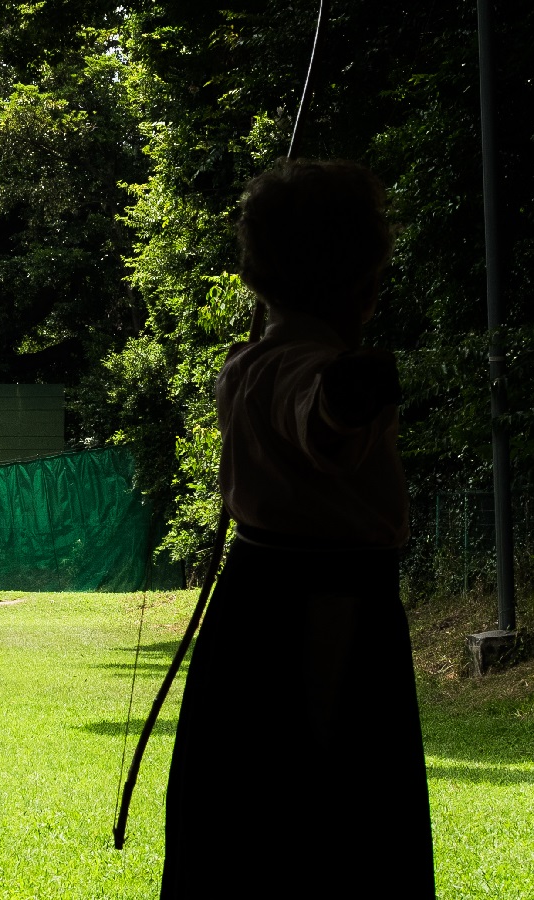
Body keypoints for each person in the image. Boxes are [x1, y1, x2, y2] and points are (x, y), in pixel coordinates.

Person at [159, 159, 434, 897]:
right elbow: (319, 419)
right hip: (324, 619)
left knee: (248, 825)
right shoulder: (297, 365)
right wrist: (347, 401)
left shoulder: (250, 363)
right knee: (327, 825)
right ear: (364, 283)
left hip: (260, 610)